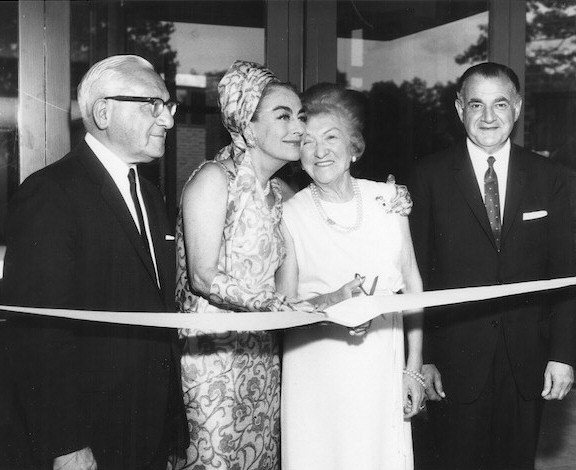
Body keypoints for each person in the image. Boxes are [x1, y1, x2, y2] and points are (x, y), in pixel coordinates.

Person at [3, 55, 186, 470]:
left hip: (148, 427)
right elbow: (38, 334)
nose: (168, 121)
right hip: (91, 436)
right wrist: (65, 444)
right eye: (153, 105)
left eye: (169, 106)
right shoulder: (51, 194)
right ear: (103, 111)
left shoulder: (151, 196)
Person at [409, 62, 576, 470]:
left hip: (527, 365)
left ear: (517, 107)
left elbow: (568, 275)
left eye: (500, 104)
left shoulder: (552, 178)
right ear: (458, 108)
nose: (488, 117)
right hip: (453, 364)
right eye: (476, 104)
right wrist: (422, 359)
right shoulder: (427, 177)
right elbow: (415, 277)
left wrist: (563, 355)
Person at [174, 60, 317, 470]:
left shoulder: (282, 192)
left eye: (301, 116)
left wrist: (383, 202)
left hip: (262, 357)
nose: (300, 127)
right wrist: (273, 306)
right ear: (248, 127)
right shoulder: (212, 179)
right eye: (284, 115)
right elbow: (202, 277)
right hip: (210, 362)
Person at [277, 83, 425, 470]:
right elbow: (284, 304)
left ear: (354, 147)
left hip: (379, 362)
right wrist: (332, 306)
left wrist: (413, 367)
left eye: (331, 137)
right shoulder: (289, 214)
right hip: (317, 366)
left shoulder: (388, 200)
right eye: (308, 142)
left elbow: (413, 284)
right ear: (299, 155)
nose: (320, 150)